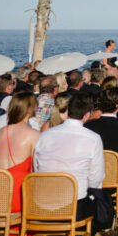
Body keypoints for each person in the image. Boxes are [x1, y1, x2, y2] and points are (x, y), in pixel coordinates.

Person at [33, 93, 105, 222]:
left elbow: (35, 169)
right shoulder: (93, 138)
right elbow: (95, 179)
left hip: (42, 202)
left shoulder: (45, 135)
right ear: (87, 115)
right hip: (74, 205)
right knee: (101, 202)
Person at [0, 93, 40, 236]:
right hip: (21, 194)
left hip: (2, 191)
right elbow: (36, 170)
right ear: (29, 109)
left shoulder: (1, 132)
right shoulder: (33, 134)